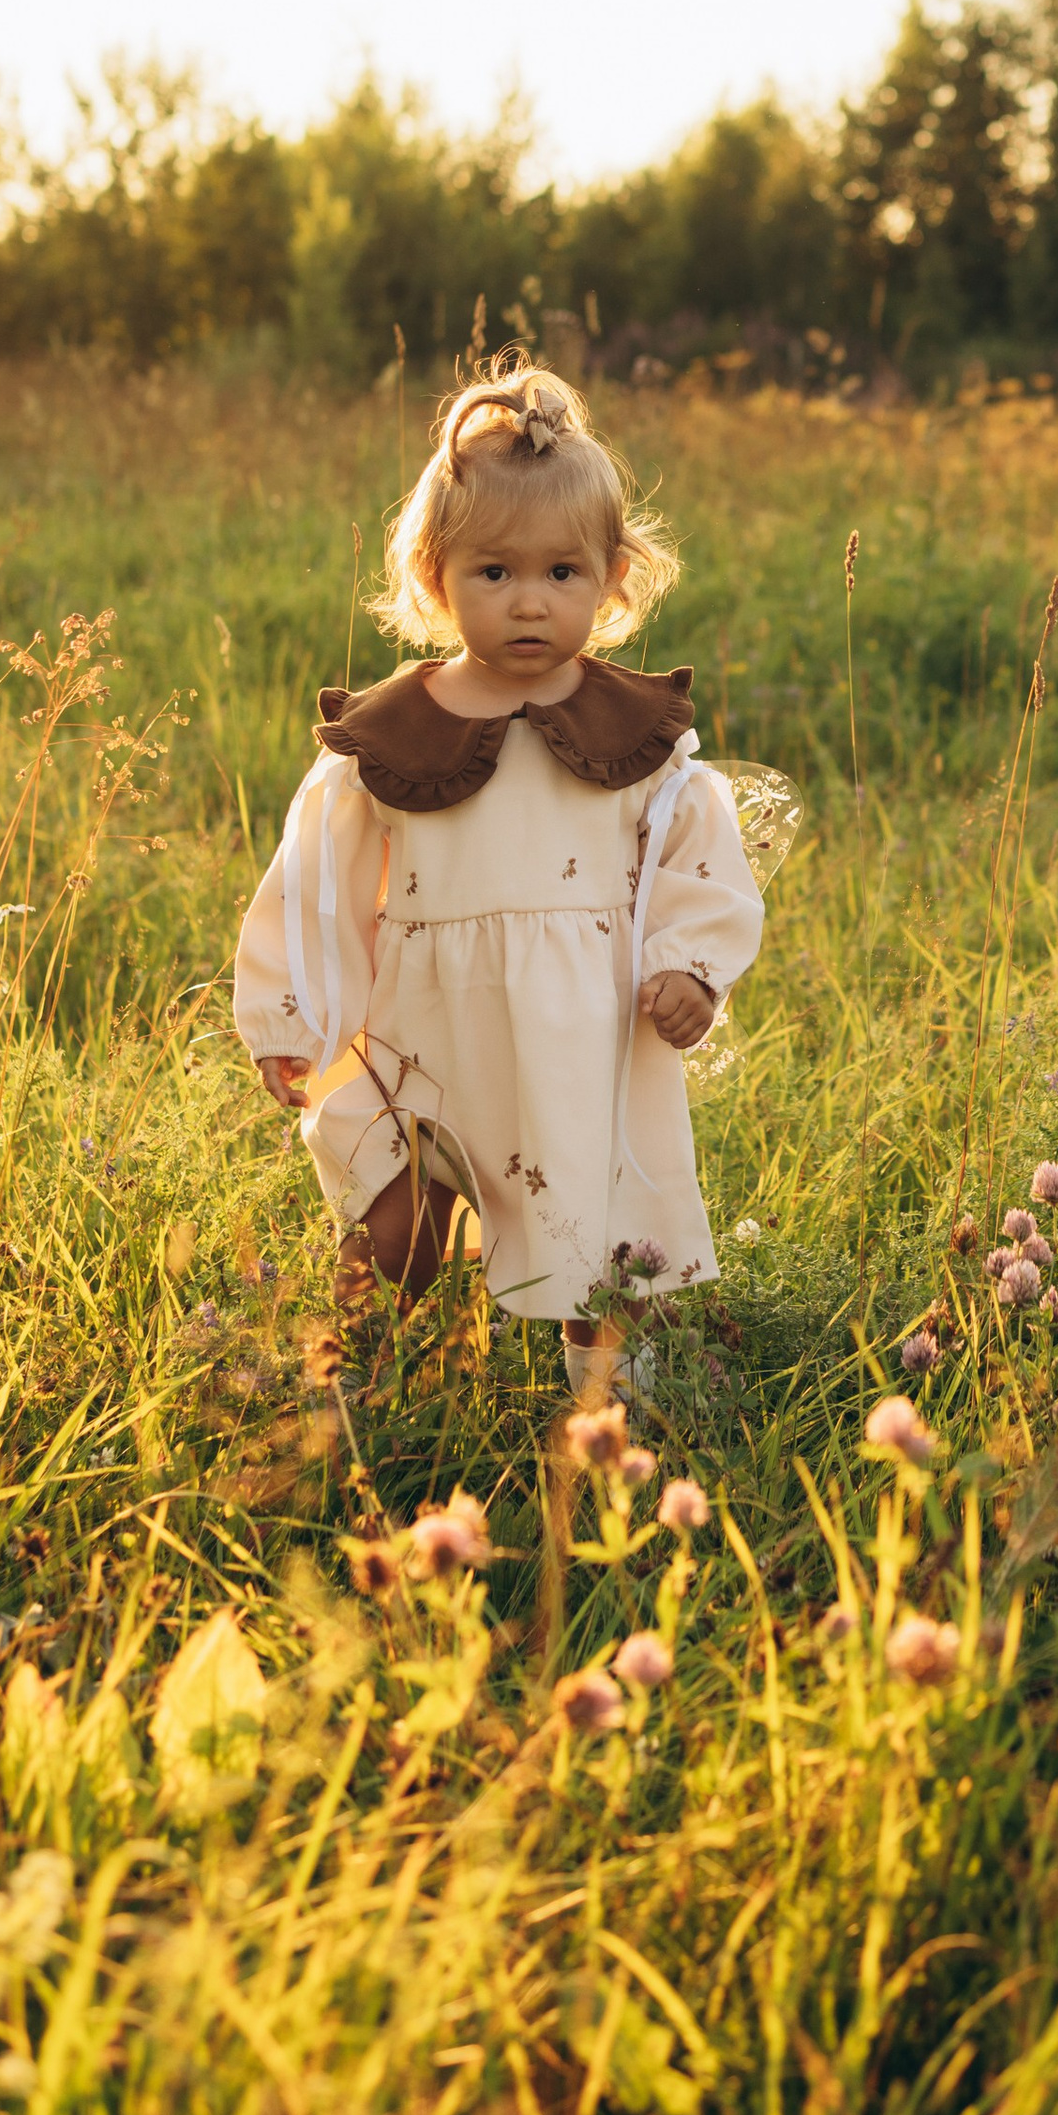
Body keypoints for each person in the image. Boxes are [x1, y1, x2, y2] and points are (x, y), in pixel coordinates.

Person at [234, 366, 764, 1397]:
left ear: (612, 577)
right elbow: (314, 880)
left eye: (562, 574)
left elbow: (697, 853)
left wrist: (690, 967)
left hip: (580, 1029)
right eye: (494, 573)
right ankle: (345, 1394)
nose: (530, 600)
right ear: (437, 578)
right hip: (422, 1033)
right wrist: (292, 1015)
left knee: (591, 1229)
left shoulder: (638, 739)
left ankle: (605, 1420)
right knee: (400, 1222)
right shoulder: (387, 738)